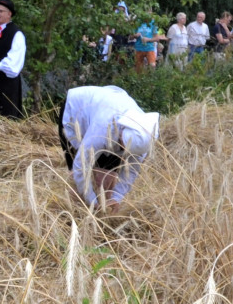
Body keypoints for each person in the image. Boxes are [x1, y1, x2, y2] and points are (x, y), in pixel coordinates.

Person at [59, 85, 159, 213]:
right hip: (75, 112)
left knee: (106, 181)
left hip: (107, 110)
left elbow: (131, 172)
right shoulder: (103, 125)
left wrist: (116, 198)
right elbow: (80, 166)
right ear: (122, 134)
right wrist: (92, 202)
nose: (121, 151)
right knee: (77, 175)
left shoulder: (144, 138)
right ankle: (77, 215)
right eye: (122, 145)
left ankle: (102, 219)